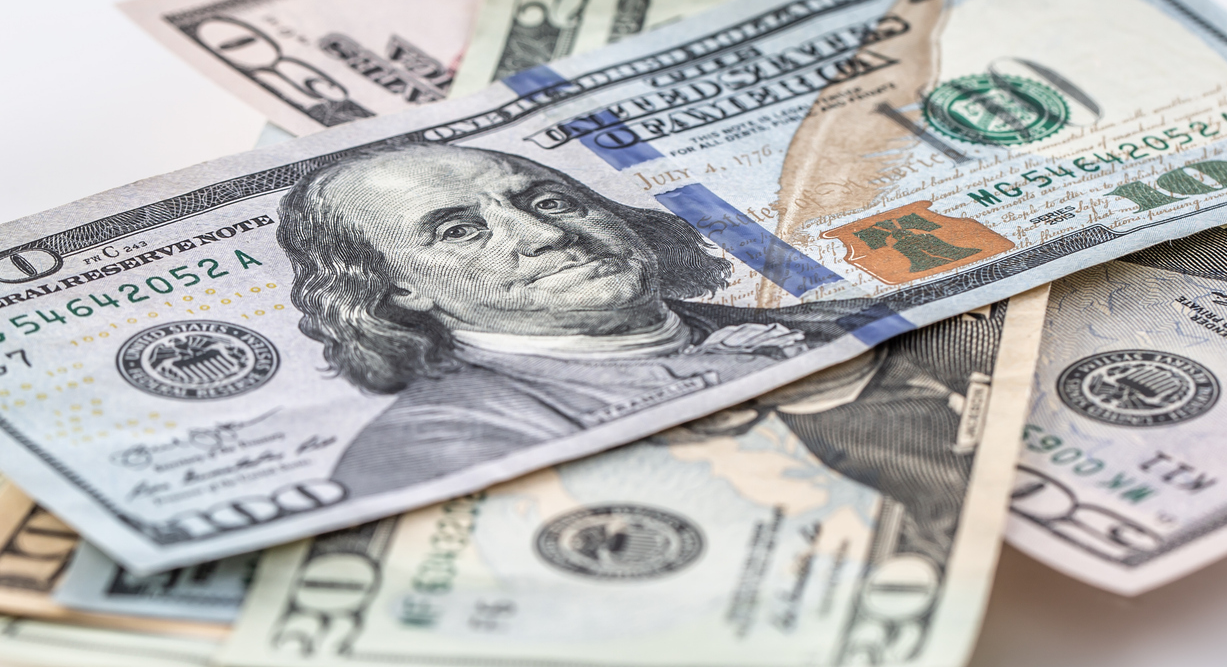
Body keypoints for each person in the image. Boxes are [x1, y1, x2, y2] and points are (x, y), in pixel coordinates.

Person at [275, 144, 857, 496]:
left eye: (549, 203)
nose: (548, 235)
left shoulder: (839, 320)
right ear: (397, 286)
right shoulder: (441, 443)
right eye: (458, 231)